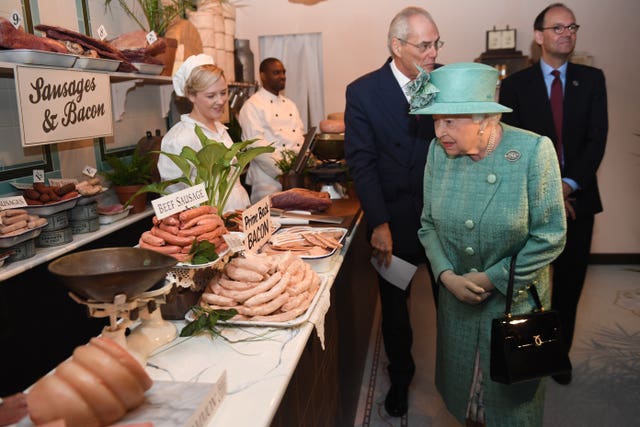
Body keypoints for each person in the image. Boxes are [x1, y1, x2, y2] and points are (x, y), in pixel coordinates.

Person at [412, 62, 566, 426]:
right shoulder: (438, 153)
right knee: (466, 398)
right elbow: (428, 225)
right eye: (436, 120)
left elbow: (550, 235)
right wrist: (446, 276)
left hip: (514, 303)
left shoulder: (533, 151)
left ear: (486, 120)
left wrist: (492, 278)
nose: (440, 131)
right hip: (457, 303)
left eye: (451, 121)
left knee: (509, 405)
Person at [499, 3, 608, 385]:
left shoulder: (592, 80)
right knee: (529, 283)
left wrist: (566, 186)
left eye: (572, 27)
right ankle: (530, 355)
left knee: (570, 281)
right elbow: (511, 149)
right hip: (530, 203)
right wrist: (548, 193)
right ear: (539, 36)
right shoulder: (515, 85)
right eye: (558, 27)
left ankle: (558, 356)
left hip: (579, 200)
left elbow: (596, 142)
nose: (567, 33)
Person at [344, 6, 443, 417]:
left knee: (452, 305)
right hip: (394, 222)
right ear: (396, 45)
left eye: (438, 43)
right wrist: (379, 223)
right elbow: (362, 162)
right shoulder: (364, 92)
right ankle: (400, 377)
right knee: (396, 312)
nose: (433, 52)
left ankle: (460, 377)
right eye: (425, 45)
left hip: (442, 220)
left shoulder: (442, 83)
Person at [158, 54, 251, 212]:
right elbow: (172, 200)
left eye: (223, 92)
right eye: (211, 96)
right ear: (191, 96)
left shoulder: (220, 129)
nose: (220, 101)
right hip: (208, 227)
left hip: (237, 218)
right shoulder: (179, 139)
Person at [238, 58, 305, 203]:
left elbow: (300, 138)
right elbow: (256, 145)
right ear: (262, 76)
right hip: (267, 180)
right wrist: (282, 171)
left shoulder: (290, 105)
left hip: (294, 178)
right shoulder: (252, 106)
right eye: (276, 72)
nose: (282, 76)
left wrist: (301, 168)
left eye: (283, 72)